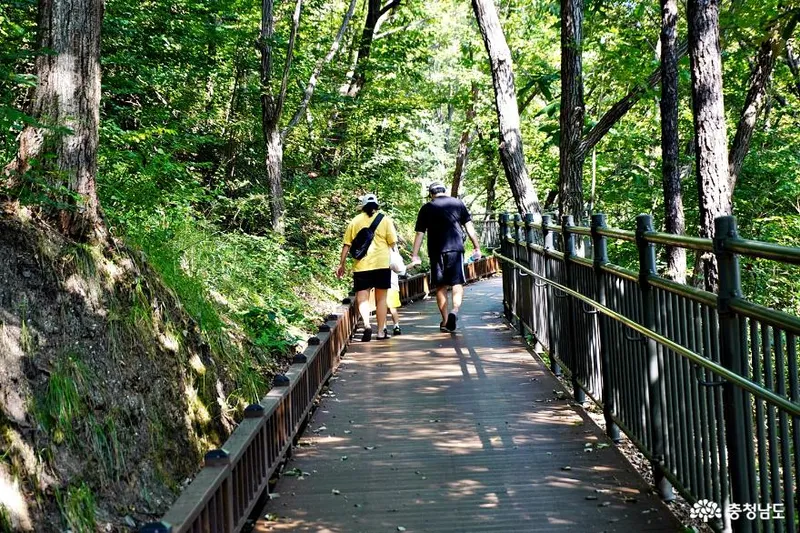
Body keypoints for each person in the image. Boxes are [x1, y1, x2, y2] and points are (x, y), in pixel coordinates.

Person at [411, 182, 481, 332]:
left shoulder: (426, 208)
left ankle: (445, 320)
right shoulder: (457, 203)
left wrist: (415, 255)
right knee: (457, 283)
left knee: (440, 286)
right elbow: (469, 227)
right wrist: (477, 247)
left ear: (431, 194)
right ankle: (454, 311)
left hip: (436, 251)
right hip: (455, 249)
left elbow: (420, 233)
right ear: (444, 191)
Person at [337, 193, 397, 341]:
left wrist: (341, 264)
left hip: (361, 265)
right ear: (377, 205)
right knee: (381, 299)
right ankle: (381, 332)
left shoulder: (355, 221)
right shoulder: (385, 220)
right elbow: (393, 243)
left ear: (362, 207)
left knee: (362, 297)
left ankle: (366, 325)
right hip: (382, 264)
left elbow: (347, 245)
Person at [385, 244, 407, 336]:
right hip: (392, 285)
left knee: (383, 308)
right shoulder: (395, 255)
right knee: (392, 308)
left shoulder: (379, 254)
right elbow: (402, 271)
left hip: (383, 285)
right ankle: (396, 326)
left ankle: (384, 327)